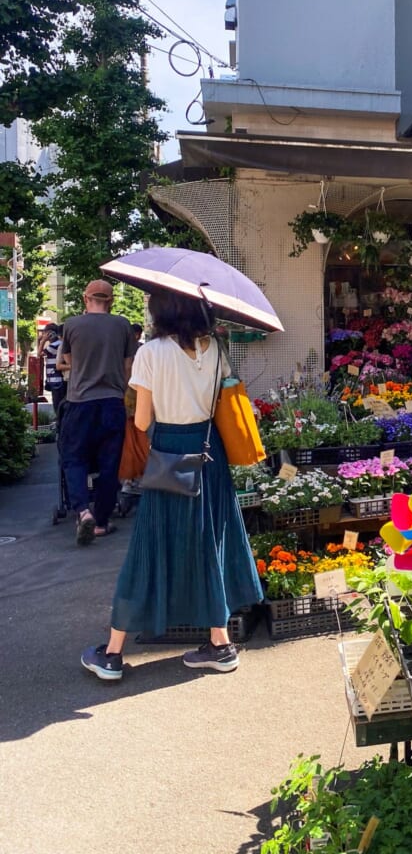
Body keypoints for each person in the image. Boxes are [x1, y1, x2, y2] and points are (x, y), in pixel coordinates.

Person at [80, 289, 263, 680]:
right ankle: (220, 643)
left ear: (162, 310)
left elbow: (143, 421)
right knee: (210, 541)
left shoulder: (150, 353)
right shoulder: (213, 346)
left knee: (152, 545)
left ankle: (112, 654)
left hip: (170, 455)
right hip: (209, 452)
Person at [57, 280, 138, 545]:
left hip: (80, 403)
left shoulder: (71, 325)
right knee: (109, 465)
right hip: (113, 402)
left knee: (74, 458)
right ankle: (102, 521)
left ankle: (82, 511)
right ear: (111, 301)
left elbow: (68, 361)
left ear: (85, 298)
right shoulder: (123, 325)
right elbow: (129, 367)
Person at [37, 323, 67, 419]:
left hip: (57, 381)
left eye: (46, 333)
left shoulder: (55, 345)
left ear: (51, 333)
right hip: (56, 380)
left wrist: (43, 341)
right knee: (60, 406)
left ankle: (60, 428)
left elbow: (39, 354)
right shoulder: (57, 344)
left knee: (58, 407)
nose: (44, 335)